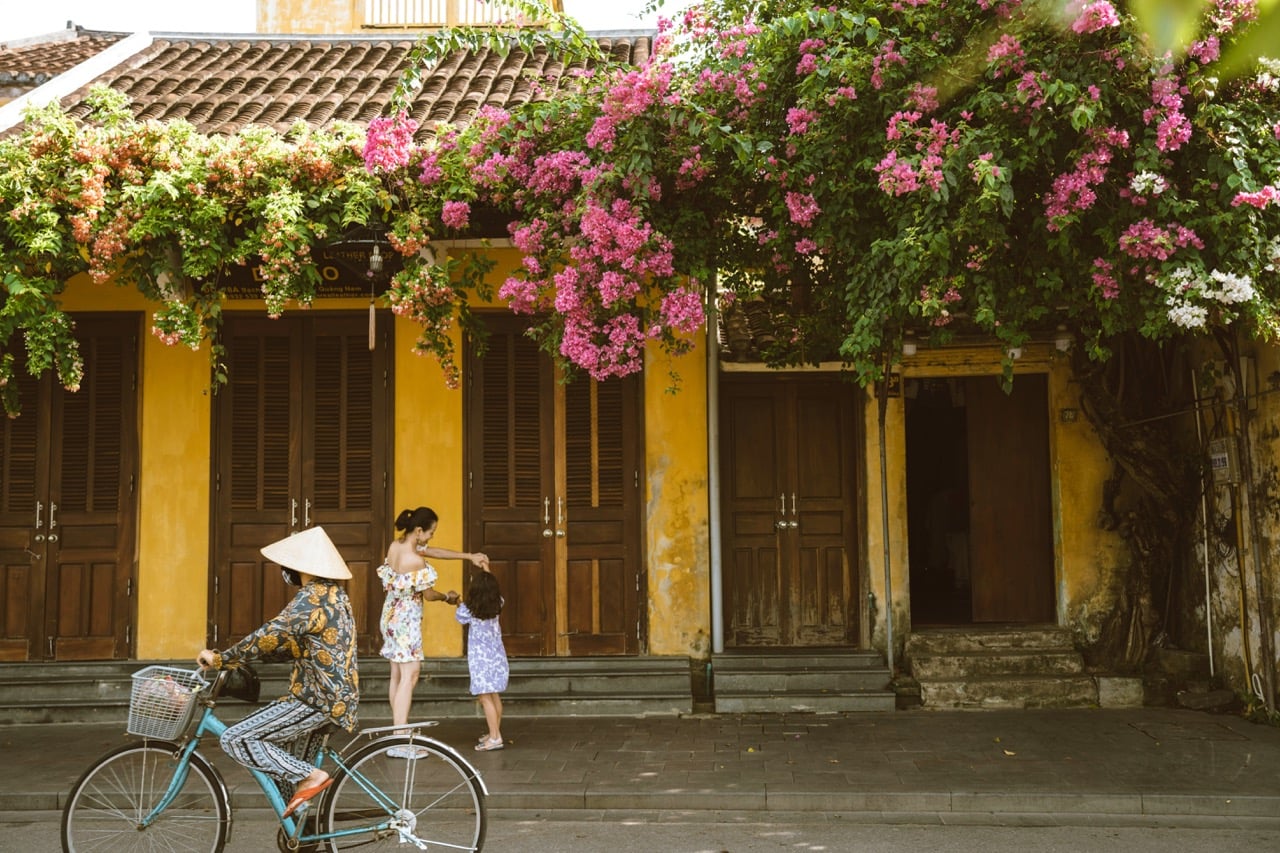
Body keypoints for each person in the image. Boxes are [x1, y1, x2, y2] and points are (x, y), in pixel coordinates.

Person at [196, 525, 358, 818]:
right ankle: (300, 830)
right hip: (334, 697)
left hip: (316, 699)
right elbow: (294, 645)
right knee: (284, 775)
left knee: (236, 738)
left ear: (300, 567)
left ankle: (311, 776)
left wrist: (222, 659)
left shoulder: (312, 597)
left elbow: (272, 634)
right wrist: (248, 659)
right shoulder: (334, 594)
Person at [379, 506, 488, 755]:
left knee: (397, 675)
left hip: (390, 616)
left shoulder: (396, 546)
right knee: (411, 675)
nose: (432, 537)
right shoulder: (415, 561)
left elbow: (433, 551)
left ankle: (397, 731)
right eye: (431, 532)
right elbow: (428, 594)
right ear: (419, 531)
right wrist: (447, 597)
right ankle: (399, 741)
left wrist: (468, 556)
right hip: (406, 621)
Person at [451, 568, 509, 751]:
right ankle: (494, 732)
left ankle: (495, 737)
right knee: (494, 695)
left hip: (480, 661)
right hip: (497, 658)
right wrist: (486, 568)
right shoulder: (498, 603)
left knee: (484, 698)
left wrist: (457, 601)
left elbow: (460, 616)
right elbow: (492, 590)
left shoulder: (468, 610)